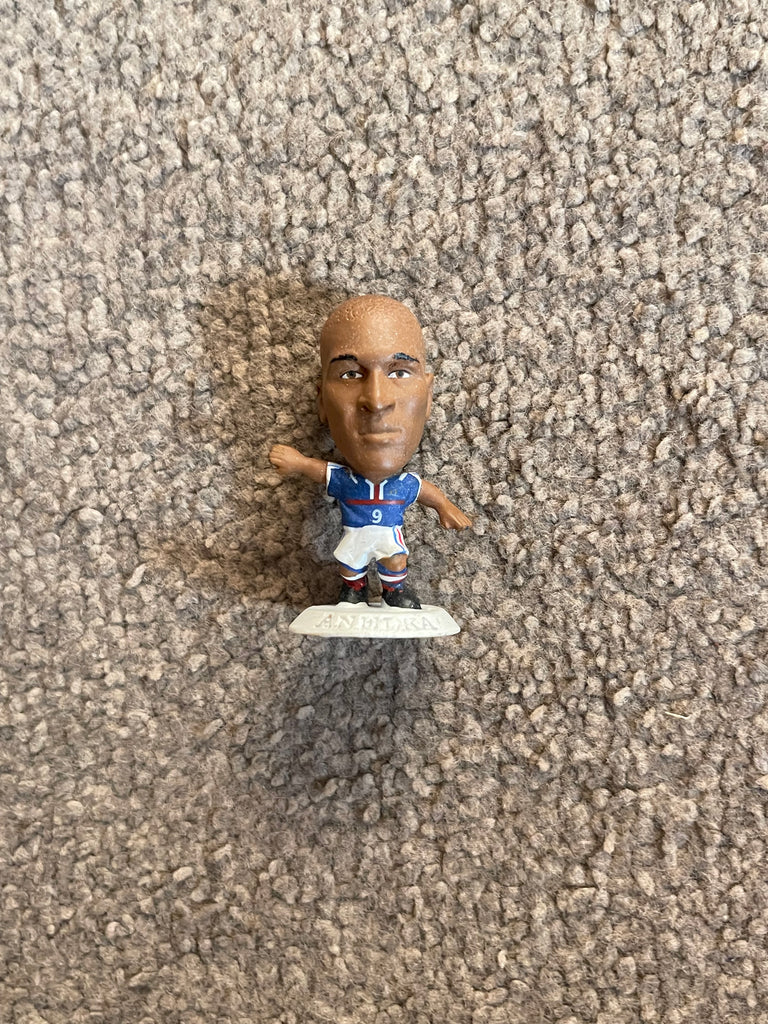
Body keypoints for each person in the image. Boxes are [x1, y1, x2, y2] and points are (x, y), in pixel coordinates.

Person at [269, 294, 471, 608]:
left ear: (429, 396)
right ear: (322, 401)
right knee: (351, 562)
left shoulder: (402, 486)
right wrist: (297, 462)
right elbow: (319, 471)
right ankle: (353, 589)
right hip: (356, 537)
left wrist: (444, 507)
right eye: (350, 374)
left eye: (399, 372)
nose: (376, 401)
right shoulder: (346, 482)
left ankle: (395, 591)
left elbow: (427, 493)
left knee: (394, 559)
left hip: (387, 538)